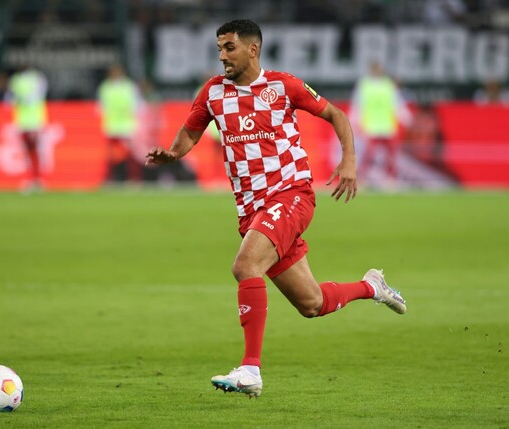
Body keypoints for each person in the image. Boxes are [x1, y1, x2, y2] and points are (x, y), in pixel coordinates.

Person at [146, 20, 406, 398]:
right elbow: (191, 131)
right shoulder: (213, 92)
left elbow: (336, 114)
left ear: (252, 49)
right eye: (219, 49)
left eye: (230, 47)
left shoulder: (283, 86)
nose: (222, 56)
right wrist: (173, 153)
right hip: (251, 209)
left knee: (245, 265)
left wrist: (349, 160)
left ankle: (250, 370)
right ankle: (372, 287)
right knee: (312, 303)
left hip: (290, 195)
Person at [349, 61, 412, 188]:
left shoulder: (388, 85)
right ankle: (361, 179)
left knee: (391, 154)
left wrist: (406, 117)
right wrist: (354, 120)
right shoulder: (365, 85)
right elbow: (358, 104)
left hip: (387, 126)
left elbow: (396, 102)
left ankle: (390, 179)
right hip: (371, 126)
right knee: (368, 155)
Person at [97, 64, 143, 183]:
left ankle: (133, 178)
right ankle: (111, 178)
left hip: (127, 125)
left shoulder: (129, 86)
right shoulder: (105, 87)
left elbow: (137, 105)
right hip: (112, 125)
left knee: (130, 154)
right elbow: (101, 106)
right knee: (112, 155)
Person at [7, 65, 48, 191]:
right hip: (30, 121)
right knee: (31, 152)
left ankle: (36, 179)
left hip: (29, 121)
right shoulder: (38, 78)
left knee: (32, 152)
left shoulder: (17, 81)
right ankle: (34, 179)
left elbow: (9, 99)